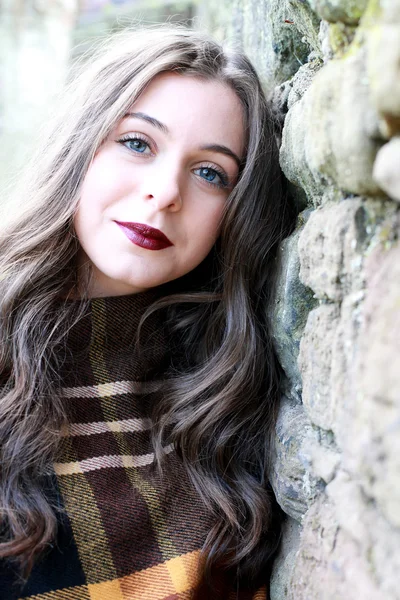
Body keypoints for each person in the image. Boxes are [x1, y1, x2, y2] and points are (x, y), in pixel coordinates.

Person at [0, 25, 291, 600]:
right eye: (138, 143)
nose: (165, 192)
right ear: (79, 147)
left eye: (211, 173)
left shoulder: (228, 401)